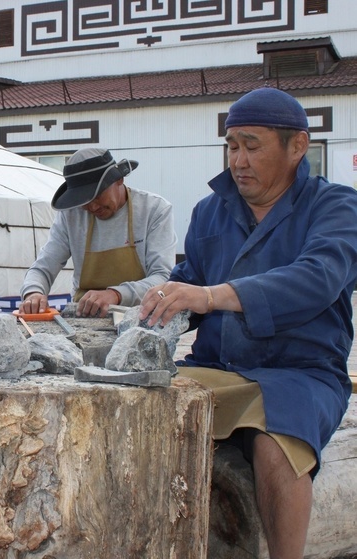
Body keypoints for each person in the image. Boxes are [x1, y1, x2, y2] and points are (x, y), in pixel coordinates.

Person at [139, 87, 357, 558]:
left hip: (299, 371)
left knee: (277, 445)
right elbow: (190, 283)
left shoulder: (336, 207)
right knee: (137, 413)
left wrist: (213, 295)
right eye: (232, 145)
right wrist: (164, 302)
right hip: (216, 366)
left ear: (297, 146)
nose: (238, 160)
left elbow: (318, 278)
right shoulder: (210, 210)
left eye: (251, 146)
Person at [19, 147, 177, 317]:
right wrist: (33, 292)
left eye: (98, 195)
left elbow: (163, 277)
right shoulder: (70, 215)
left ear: (119, 180)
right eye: (84, 201)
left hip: (142, 317)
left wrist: (116, 294)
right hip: (85, 318)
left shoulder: (154, 210)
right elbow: (43, 267)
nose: (93, 207)